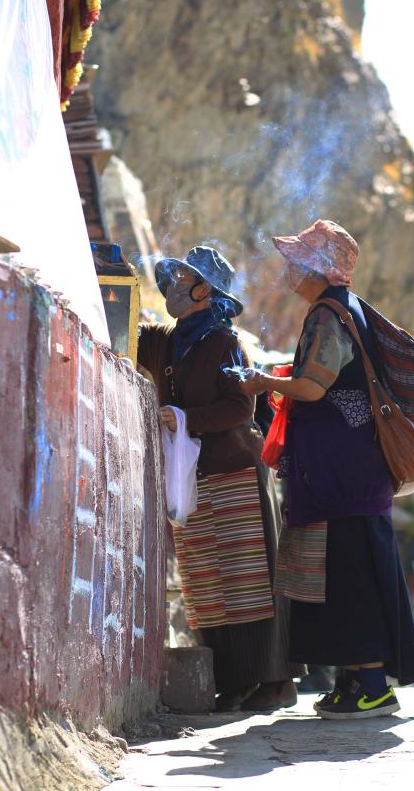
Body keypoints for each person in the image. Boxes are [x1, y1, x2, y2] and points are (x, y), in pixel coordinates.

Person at [239, 218, 414, 719]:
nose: (287, 270)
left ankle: (371, 687)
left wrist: (263, 382)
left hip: (342, 477)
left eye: (295, 261)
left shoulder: (327, 316)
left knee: (349, 577)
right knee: (342, 575)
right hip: (349, 473)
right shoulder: (347, 310)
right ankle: (350, 684)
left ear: (316, 268)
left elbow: (316, 388)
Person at [137, 245, 305, 712]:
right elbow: (125, 331)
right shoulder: (166, 340)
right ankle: (230, 678)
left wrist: (184, 418)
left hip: (233, 470)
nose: (171, 287)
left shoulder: (226, 342)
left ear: (203, 289)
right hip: (193, 475)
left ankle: (258, 679)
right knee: (205, 579)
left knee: (244, 578)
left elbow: (239, 408)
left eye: (180, 279)